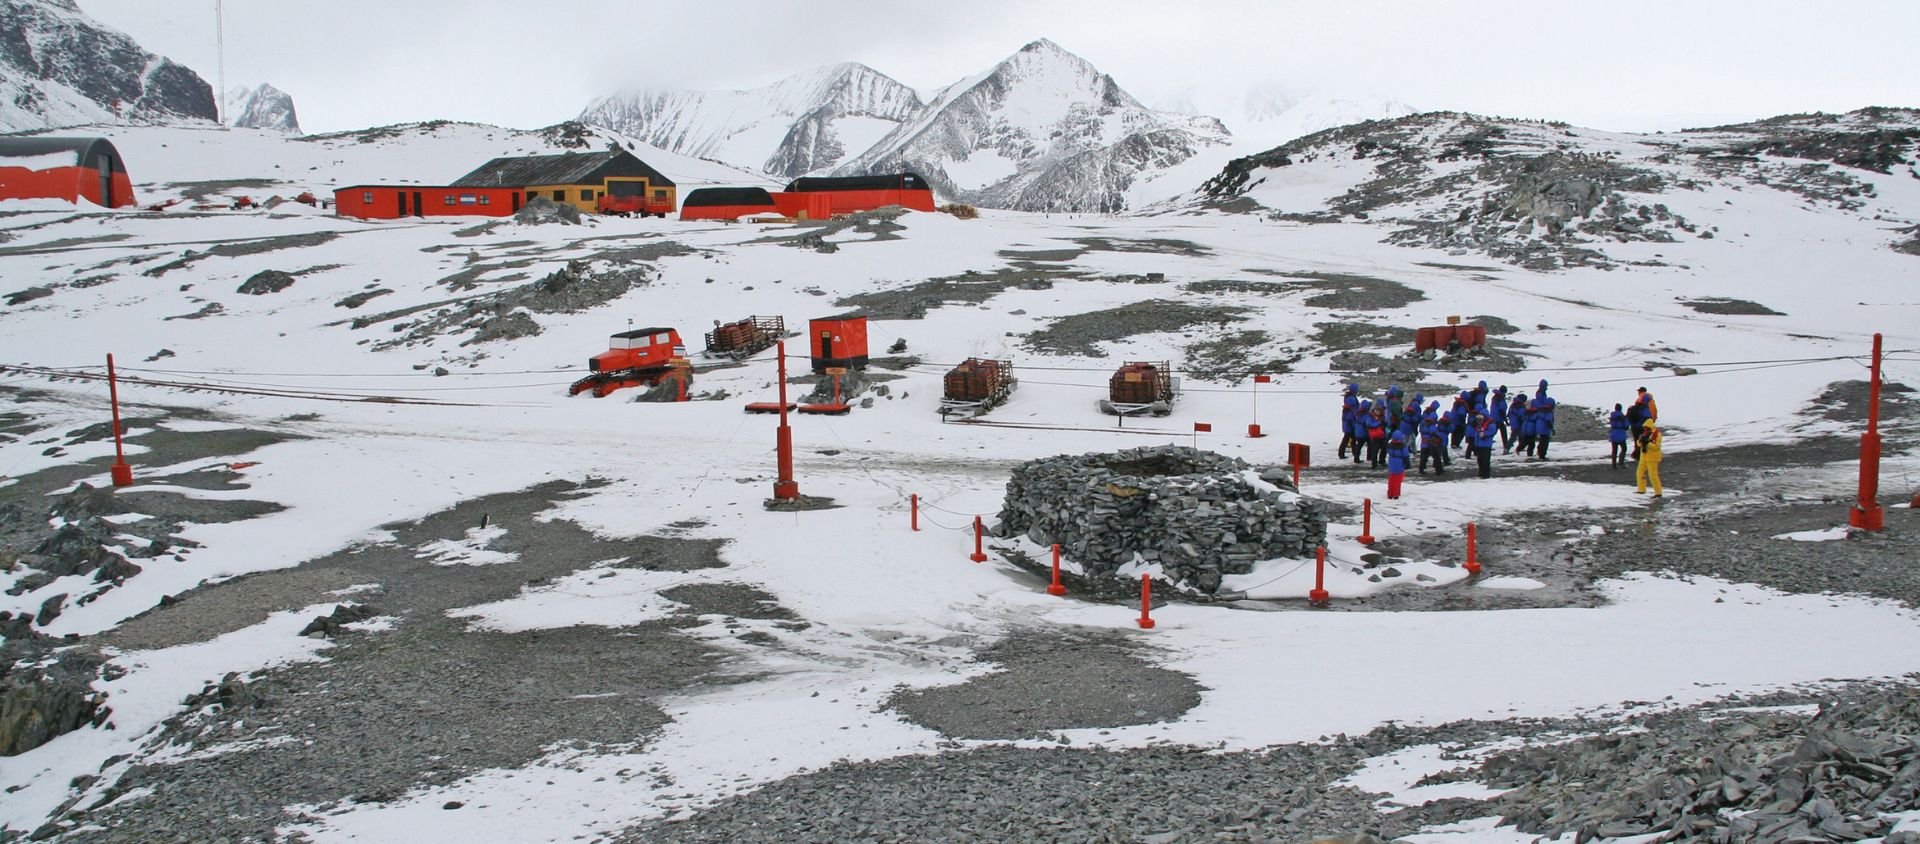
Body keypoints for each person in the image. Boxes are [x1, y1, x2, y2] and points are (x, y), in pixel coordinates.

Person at [1635, 421, 1664, 497]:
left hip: (1652, 458)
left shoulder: (1657, 435)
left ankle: (1658, 492)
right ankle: (1641, 489)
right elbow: (1639, 444)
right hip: (1644, 457)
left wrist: (1647, 443)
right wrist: (1640, 440)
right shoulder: (1644, 434)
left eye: (1646, 428)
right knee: (1639, 473)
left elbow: (1656, 447)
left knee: (1653, 475)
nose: (1645, 429)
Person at [1469, 410, 1497, 478]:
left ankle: (1486, 474)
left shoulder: (1490, 423)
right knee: (1480, 460)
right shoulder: (1479, 423)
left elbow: (1492, 431)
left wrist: (1484, 434)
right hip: (1479, 444)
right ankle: (1481, 473)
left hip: (1486, 445)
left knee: (1485, 460)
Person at [1419, 409, 1446, 475]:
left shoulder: (1424, 425)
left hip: (1424, 444)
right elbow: (1435, 435)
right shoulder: (1432, 427)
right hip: (1431, 445)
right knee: (1436, 457)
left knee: (1423, 458)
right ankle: (1439, 471)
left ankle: (1421, 470)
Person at [1339, 384, 1360, 460]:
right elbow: (1352, 417)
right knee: (1352, 439)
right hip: (1350, 426)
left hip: (1347, 425)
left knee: (1347, 439)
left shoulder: (1347, 400)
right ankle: (1355, 455)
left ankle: (1342, 454)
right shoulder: (1351, 402)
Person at [1626, 393, 1650, 459]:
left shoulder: (1632, 408)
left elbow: (1627, 417)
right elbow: (1648, 417)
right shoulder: (1644, 408)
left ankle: (1636, 455)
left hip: (1633, 427)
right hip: (1641, 427)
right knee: (1643, 441)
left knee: (1636, 440)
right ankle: (1640, 455)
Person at [1532, 393, 1557, 460]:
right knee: (1545, 442)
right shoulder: (1548, 411)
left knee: (1542, 440)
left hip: (1538, 427)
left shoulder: (1540, 409)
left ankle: (1539, 452)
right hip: (1544, 428)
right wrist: (1552, 429)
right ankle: (1542, 456)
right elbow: (1548, 421)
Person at [1386, 432, 1409, 500]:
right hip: (1400, 463)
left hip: (1392, 462)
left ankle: (1390, 494)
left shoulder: (1390, 444)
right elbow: (1405, 455)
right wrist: (1407, 464)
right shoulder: (1403, 446)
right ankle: (1396, 494)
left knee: (1391, 480)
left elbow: (1388, 451)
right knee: (1398, 481)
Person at [1365, 403, 1388, 468]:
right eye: (1376, 410)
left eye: (1379, 410)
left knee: (1384, 449)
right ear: (1374, 410)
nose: (1377, 412)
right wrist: (1378, 423)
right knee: (1375, 450)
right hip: (1374, 436)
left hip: (1382, 435)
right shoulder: (1370, 416)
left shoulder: (1382, 416)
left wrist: (1385, 423)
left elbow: (1386, 423)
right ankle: (1374, 464)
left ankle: (1382, 461)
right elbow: (1369, 424)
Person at [1608, 403, 1629, 468]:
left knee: (1614, 450)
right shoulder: (1622, 416)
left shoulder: (1612, 415)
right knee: (1624, 448)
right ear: (1621, 409)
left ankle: (1614, 464)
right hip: (1621, 435)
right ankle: (1621, 462)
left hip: (1613, 434)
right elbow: (1626, 427)